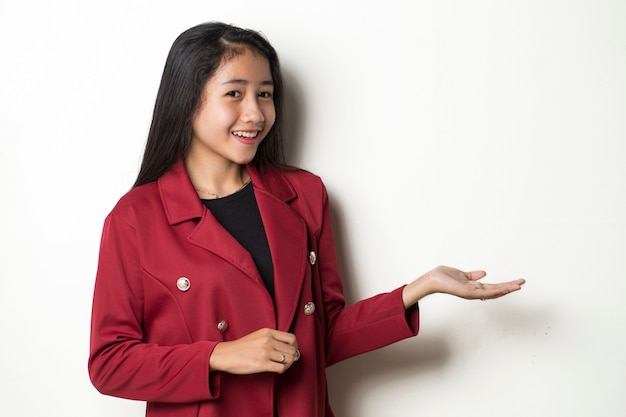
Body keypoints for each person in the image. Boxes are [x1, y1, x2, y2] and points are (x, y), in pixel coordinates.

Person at [88, 21, 525, 417]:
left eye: (265, 93)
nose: (256, 114)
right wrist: (219, 356)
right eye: (234, 93)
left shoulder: (304, 195)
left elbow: (322, 334)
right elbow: (108, 363)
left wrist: (417, 290)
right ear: (187, 102)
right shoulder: (135, 219)